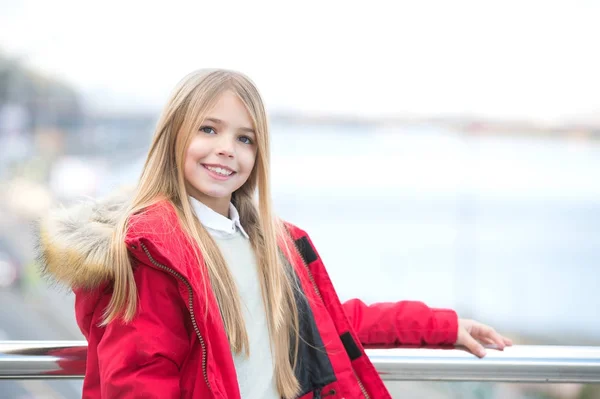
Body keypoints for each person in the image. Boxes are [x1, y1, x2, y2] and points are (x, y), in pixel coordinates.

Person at [37, 69, 512, 399]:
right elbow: (139, 381)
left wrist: (444, 327)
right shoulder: (153, 254)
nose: (227, 150)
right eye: (209, 129)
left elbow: (327, 323)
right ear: (173, 137)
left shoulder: (268, 245)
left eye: (245, 138)